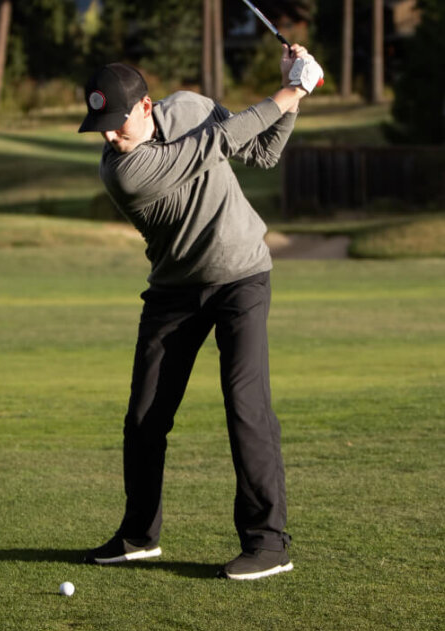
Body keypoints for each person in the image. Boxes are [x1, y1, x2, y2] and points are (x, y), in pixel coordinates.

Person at [76, 42, 319, 580]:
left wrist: (292, 97)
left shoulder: (189, 106)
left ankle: (269, 543)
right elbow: (221, 141)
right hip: (174, 291)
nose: (111, 136)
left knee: (245, 407)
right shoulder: (124, 172)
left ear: (145, 106)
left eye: (117, 122)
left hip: (241, 276)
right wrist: (293, 89)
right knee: (144, 418)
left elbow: (261, 152)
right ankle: (139, 535)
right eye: (101, 127)